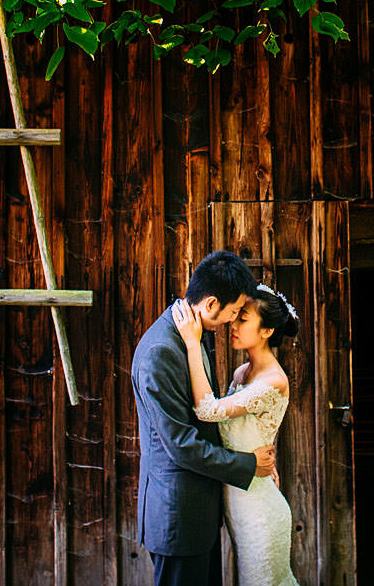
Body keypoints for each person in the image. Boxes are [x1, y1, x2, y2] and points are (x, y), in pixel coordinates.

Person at [132, 250, 276, 586]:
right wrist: (248, 464)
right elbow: (181, 444)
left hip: (199, 513)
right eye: (234, 311)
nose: (233, 320)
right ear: (211, 303)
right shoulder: (161, 352)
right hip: (179, 516)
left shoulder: (195, 334)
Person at [172, 282, 301, 586]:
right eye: (236, 316)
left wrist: (192, 344)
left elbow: (207, 411)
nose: (233, 325)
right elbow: (237, 430)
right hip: (238, 504)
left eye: (243, 319)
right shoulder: (241, 374)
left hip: (260, 512)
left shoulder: (273, 380)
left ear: (266, 331)